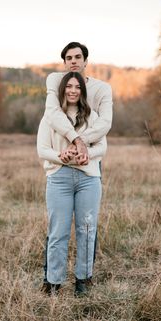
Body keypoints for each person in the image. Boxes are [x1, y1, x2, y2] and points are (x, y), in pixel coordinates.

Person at [37, 71, 107, 296]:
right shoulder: (50, 117)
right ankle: (54, 283)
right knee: (58, 232)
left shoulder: (93, 117)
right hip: (59, 178)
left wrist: (88, 155)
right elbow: (42, 149)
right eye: (69, 86)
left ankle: (83, 281)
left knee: (87, 229)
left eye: (78, 87)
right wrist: (62, 156)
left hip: (88, 179)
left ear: (83, 91)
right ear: (62, 90)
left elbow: (102, 147)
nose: (73, 90)